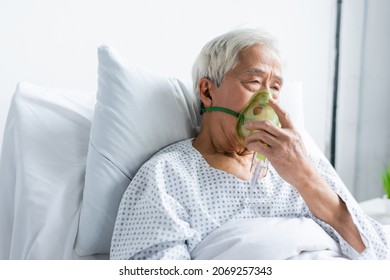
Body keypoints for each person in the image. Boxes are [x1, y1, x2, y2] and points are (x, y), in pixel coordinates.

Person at [110, 28, 389, 260]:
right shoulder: (167, 177)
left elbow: (377, 255)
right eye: (254, 82)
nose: (266, 100)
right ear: (207, 91)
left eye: (276, 88)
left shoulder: (305, 167)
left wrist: (305, 178)